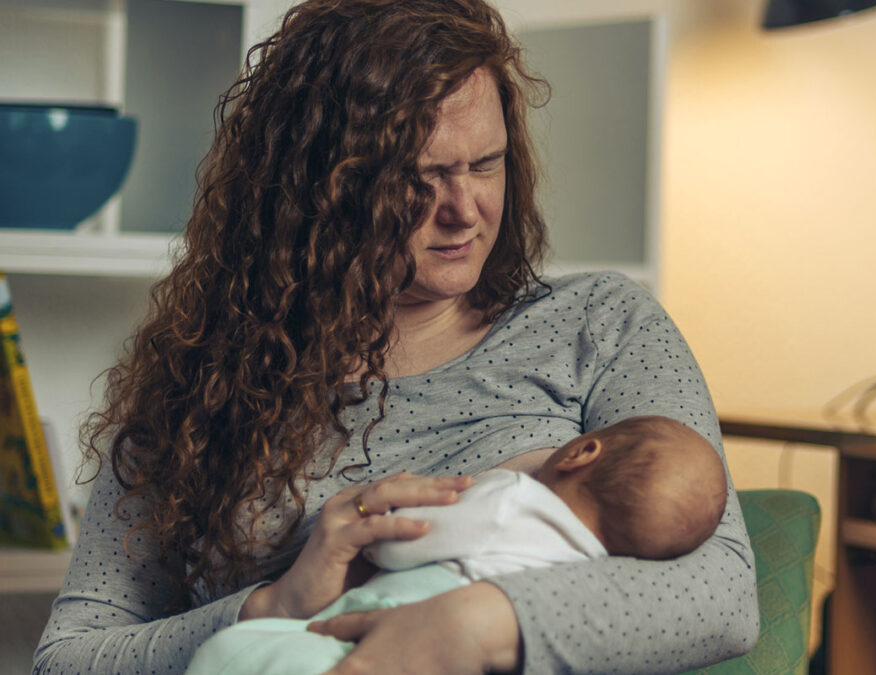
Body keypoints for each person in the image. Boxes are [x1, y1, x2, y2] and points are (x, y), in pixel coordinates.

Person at [34, 0, 758, 673]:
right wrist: (274, 603)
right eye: (420, 177)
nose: (465, 209)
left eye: (486, 163)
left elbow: (722, 593)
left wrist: (475, 623)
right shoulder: (204, 379)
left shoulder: (599, 324)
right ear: (323, 186)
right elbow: (67, 657)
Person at [186, 415, 729, 675]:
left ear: (583, 452)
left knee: (226, 654)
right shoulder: (591, 569)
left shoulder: (514, 500)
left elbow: (408, 541)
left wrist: (374, 538)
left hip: (361, 641)